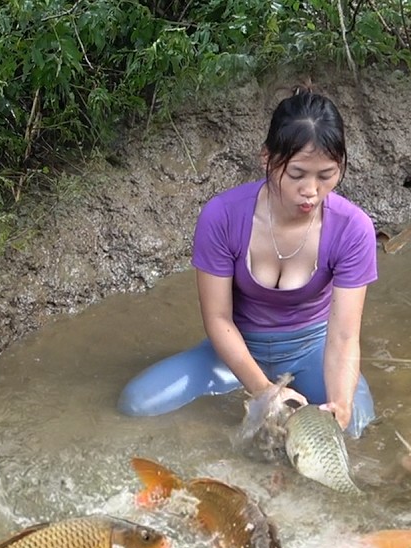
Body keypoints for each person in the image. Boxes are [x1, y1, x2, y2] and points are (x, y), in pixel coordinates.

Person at [119, 87, 377, 438]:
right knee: (135, 405)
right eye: (297, 174)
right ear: (267, 159)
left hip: (312, 352)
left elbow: (344, 336)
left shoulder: (353, 228)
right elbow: (218, 318)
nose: (311, 190)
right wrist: (264, 391)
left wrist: (341, 404)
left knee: (355, 428)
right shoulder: (223, 216)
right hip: (234, 352)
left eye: (326, 175)